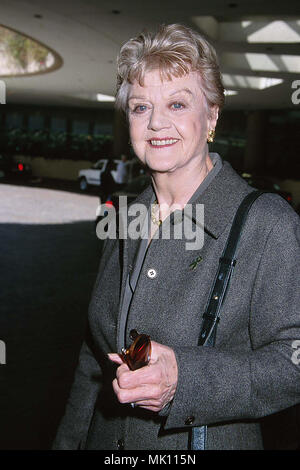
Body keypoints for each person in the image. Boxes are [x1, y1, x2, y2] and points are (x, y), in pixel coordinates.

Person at [53, 24, 300, 450]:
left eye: (178, 103)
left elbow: (293, 361)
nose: (156, 123)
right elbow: (92, 358)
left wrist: (186, 378)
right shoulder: (126, 218)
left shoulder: (268, 223)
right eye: (140, 107)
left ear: (213, 116)